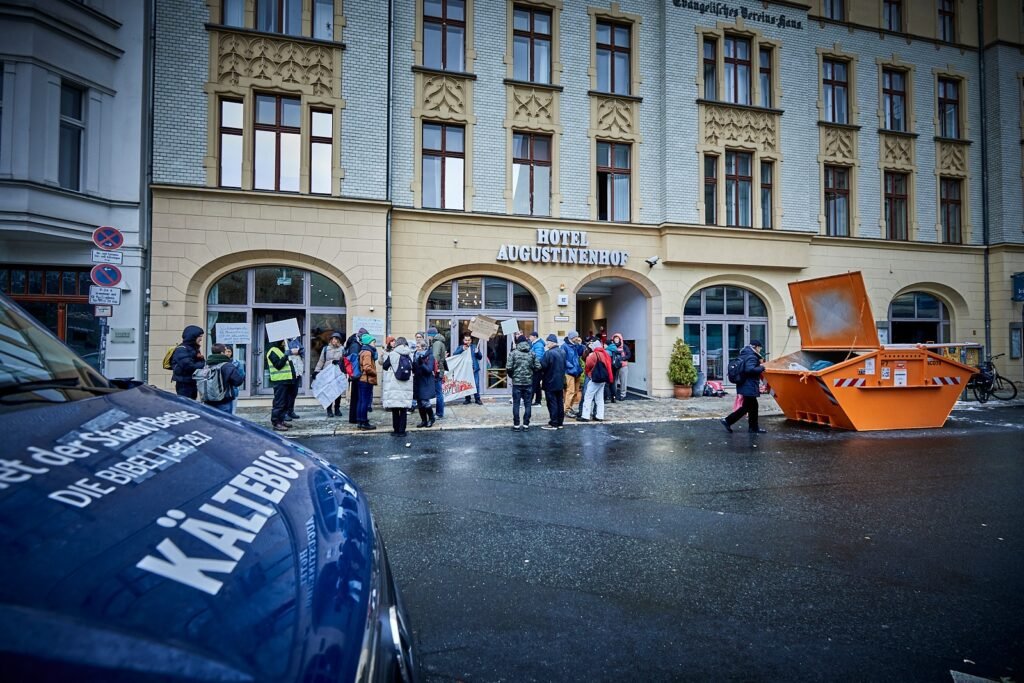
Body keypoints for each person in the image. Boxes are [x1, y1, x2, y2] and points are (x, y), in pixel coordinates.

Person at [721, 340, 767, 434]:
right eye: (760, 347)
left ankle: (753, 428)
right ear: (756, 347)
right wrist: (762, 367)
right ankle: (728, 420)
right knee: (748, 407)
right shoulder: (752, 356)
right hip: (748, 385)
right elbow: (749, 369)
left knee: (752, 406)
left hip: (744, 384)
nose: (760, 349)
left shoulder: (744, 354)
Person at [507, 334, 540, 431]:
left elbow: (509, 367)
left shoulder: (513, 353)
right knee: (528, 403)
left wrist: (512, 375)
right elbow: (538, 366)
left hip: (517, 383)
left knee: (516, 404)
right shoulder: (532, 353)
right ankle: (526, 425)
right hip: (528, 382)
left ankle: (516, 425)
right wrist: (531, 373)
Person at [381, 336, 414, 436]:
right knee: (403, 409)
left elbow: (385, 366)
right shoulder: (410, 354)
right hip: (406, 385)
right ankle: (402, 431)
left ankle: (396, 431)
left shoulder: (392, 354)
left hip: (394, 384)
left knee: (395, 409)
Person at [203, 343, 245, 414]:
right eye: (225, 351)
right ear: (222, 353)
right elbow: (238, 381)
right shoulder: (227, 365)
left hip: (209, 399)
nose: (227, 353)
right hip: (224, 400)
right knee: (225, 421)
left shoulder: (206, 364)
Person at [266, 339, 297, 432]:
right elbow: (278, 365)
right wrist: (286, 355)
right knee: (279, 403)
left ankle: (281, 420)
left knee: (285, 403)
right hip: (279, 381)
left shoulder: (281, 351)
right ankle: (276, 422)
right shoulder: (272, 351)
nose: (284, 343)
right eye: (283, 341)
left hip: (287, 380)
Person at [579, 340, 613, 423]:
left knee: (588, 397)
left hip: (594, 379)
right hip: (603, 379)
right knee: (599, 398)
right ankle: (599, 416)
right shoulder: (606, 354)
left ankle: (585, 416)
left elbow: (588, 366)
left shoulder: (593, 354)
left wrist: (589, 373)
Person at [314, 332, 346, 417]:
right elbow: (321, 361)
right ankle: (329, 410)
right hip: (327, 373)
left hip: (338, 373)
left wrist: (340, 362)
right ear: (331, 340)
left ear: (339, 340)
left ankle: (337, 409)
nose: (334, 341)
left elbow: (345, 361)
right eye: (333, 339)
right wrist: (316, 371)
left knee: (337, 392)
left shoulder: (343, 349)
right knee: (328, 392)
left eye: (336, 339)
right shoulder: (325, 349)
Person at [170, 325, 205, 399]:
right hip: (184, 384)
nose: (201, 339)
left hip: (191, 381)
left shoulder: (193, 349)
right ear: (192, 336)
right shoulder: (182, 349)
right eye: (200, 336)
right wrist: (202, 362)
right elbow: (189, 367)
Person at [540, 334, 566, 429]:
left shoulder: (549, 353)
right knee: (559, 402)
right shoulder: (562, 352)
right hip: (560, 381)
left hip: (550, 381)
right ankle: (560, 422)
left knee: (552, 403)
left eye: (547, 342)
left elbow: (542, 366)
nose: (546, 344)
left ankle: (553, 422)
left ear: (552, 342)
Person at [345, 327, 368, 424]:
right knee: (356, 397)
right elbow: (354, 361)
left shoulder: (354, 343)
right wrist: (357, 375)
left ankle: (354, 418)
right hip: (356, 375)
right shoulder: (355, 345)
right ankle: (354, 418)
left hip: (354, 374)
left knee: (356, 397)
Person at [412, 338, 436, 427]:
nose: (416, 348)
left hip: (426, 382)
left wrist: (421, 362)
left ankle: (431, 418)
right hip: (417, 381)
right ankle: (423, 421)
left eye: (418, 347)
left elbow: (429, 370)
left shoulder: (430, 356)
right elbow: (414, 368)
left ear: (423, 347)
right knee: (419, 402)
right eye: (416, 346)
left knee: (425, 402)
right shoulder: (415, 354)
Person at [356, 334, 378, 430]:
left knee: (361, 401)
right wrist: (375, 372)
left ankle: (360, 421)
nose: (375, 344)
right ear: (369, 342)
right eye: (373, 342)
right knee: (364, 401)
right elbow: (367, 367)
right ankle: (364, 422)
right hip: (366, 380)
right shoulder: (368, 352)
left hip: (362, 379)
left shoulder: (362, 351)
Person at [454, 334, 483, 404]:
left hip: (474, 369)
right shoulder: (460, 347)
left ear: (471, 340)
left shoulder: (474, 347)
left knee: (476, 384)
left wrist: (478, 352)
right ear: (463, 340)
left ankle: (477, 399)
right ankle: (467, 399)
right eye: (466, 340)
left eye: (469, 340)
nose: (467, 341)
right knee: (466, 384)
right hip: (465, 370)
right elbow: (455, 354)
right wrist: (462, 349)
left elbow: (480, 357)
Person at [562, 330, 585, 419]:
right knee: (570, 391)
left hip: (577, 371)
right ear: (572, 337)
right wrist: (570, 367)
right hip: (569, 372)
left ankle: (570, 407)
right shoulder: (564, 346)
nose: (577, 338)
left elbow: (580, 353)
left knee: (575, 391)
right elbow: (564, 359)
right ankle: (566, 410)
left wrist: (579, 344)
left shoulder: (575, 345)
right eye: (576, 337)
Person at [428, 327, 448, 419]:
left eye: (429, 335)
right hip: (440, 369)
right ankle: (439, 412)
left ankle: (439, 413)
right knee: (439, 392)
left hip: (437, 370)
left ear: (432, 335)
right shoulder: (440, 342)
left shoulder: (436, 343)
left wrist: (432, 368)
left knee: (439, 393)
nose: (428, 337)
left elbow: (435, 358)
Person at [286, 337, 304, 420]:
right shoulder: (281, 341)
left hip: (297, 370)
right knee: (286, 393)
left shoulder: (295, 340)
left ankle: (291, 411)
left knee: (293, 392)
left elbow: (303, 351)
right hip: (287, 370)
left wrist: (299, 351)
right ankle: (285, 412)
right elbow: (280, 353)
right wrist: (291, 352)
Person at [611, 333, 631, 401]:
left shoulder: (624, 346)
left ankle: (623, 395)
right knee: (614, 381)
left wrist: (622, 358)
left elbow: (629, 355)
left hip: (623, 366)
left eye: (617, 338)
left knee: (623, 381)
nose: (616, 339)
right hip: (614, 366)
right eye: (615, 338)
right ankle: (614, 395)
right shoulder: (612, 346)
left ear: (620, 339)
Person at [528, 330, 545, 405]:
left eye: (530, 336)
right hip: (537, 368)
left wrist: (533, 366)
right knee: (537, 385)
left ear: (535, 337)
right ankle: (538, 401)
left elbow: (538, 357)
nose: (529, 338)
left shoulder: (538, 345)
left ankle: (529, 401)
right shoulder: (535, 344)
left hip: (537, 368)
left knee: (533, 384)